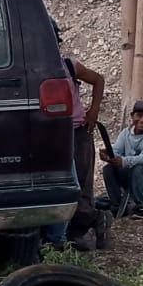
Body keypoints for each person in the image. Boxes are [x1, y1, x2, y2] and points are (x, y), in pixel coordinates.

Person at [42, 24, 105, 250]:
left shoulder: (69, 66)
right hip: (50, 134)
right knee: (57, 183)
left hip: (76, 132)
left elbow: (98, 80)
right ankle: (57, 233)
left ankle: (81, 229)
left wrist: (94, 110)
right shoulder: (36, 68)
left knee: (81, 184)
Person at [99, 99, 143, 218]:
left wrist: (124, 161)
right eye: (139, 115)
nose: (142, 120)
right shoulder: (126, 133)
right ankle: (117, 205)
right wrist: (109, 155)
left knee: (140, 168)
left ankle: (142, 206)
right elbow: (117, 150)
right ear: (132, 116)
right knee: (108, 169)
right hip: (132, 174)